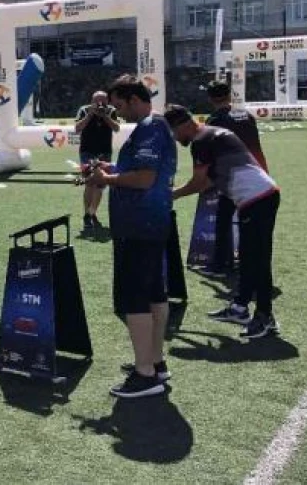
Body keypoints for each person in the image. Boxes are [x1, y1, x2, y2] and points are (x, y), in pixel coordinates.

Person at [88, 75, 177, 398]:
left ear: (134, 100)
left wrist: (107, 178)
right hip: (147, 224)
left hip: (140, 225)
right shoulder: (151, 127)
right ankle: (154, 362)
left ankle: (145, 374)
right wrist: (109, 168)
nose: (117, 114)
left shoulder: (151, 127)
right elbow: (138, 170)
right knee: (154, 293)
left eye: (119, 106)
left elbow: (144, 178)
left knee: (135, 297)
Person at [164, 105, 281, 339]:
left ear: (183, 125)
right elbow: (209, 182)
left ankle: (265, 318)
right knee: (248, 257)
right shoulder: (213, 134)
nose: (176, 139)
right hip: (258, 197)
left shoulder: (202, 140)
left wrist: (170, 195)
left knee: (258, 260)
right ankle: (239, 307)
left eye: (174, 134)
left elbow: (199, 183)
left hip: (258, 198)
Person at [204, 80, 268, 278]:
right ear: (230, 95)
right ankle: (248, 260)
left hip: (231, 176)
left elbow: (211, 153)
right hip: (255, 174)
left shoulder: (214, 120)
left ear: (210, 98)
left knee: (223, 220)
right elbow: (256, 146)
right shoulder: (246, 115)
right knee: (251, 222)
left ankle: (221, 265)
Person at [75, 90, 120, 231]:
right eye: (97, 101)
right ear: (92, 101)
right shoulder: (84, 110)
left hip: (104, 152)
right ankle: (86, 215)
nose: (100, 104)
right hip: (87, 151)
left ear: (108, 101)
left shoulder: (111, 111)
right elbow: (77, 128)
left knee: (101, 184)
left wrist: (105, 116)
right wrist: (90, 115)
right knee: (89, 183)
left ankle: (92, 213)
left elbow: (117, 128)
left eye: (103, 101)